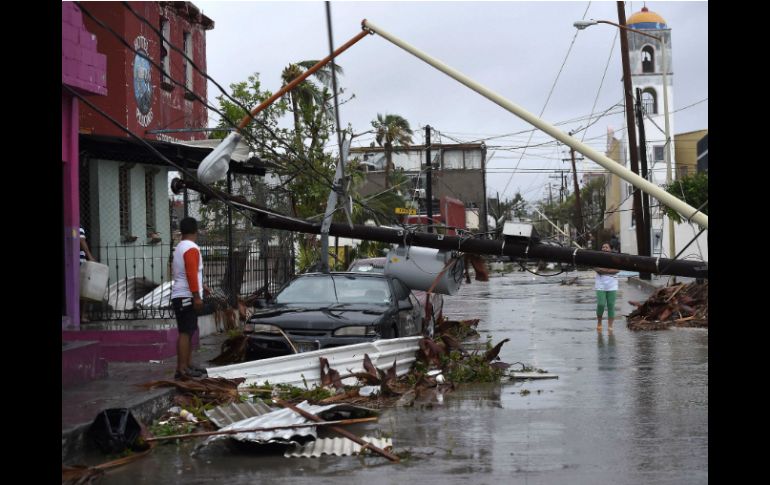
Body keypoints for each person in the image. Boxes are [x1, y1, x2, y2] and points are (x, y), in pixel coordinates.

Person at [171, 217, 211, 380]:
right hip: (186, 296)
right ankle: (182, 369)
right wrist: (196, 296)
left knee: (188, 330)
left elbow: (191, 272)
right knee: (185, 332)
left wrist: (203, 287)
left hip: (182, 295)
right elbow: (190, 272)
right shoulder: (191, 247)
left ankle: (187, 364)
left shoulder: (180, 246)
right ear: (196, 231)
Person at [594, 242, 620, 333]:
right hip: (600, 284)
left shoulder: (615, 258)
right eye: (603, 247)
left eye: (606, 247)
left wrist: (604, 271)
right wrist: (609, 271)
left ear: (610, 249)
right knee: (601, 304)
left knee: (611, 305)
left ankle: (610, 326)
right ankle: (599, 322)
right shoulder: (597, 258)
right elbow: (597, 269)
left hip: (612, 285)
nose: (604, 248)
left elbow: (617, 270)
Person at [80, 227, 95, 323]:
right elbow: (81, 241)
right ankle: (82, 315)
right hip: (80, 263)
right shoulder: (78, 227)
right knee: (84, 290)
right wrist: (89, 256)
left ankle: (80, 314)